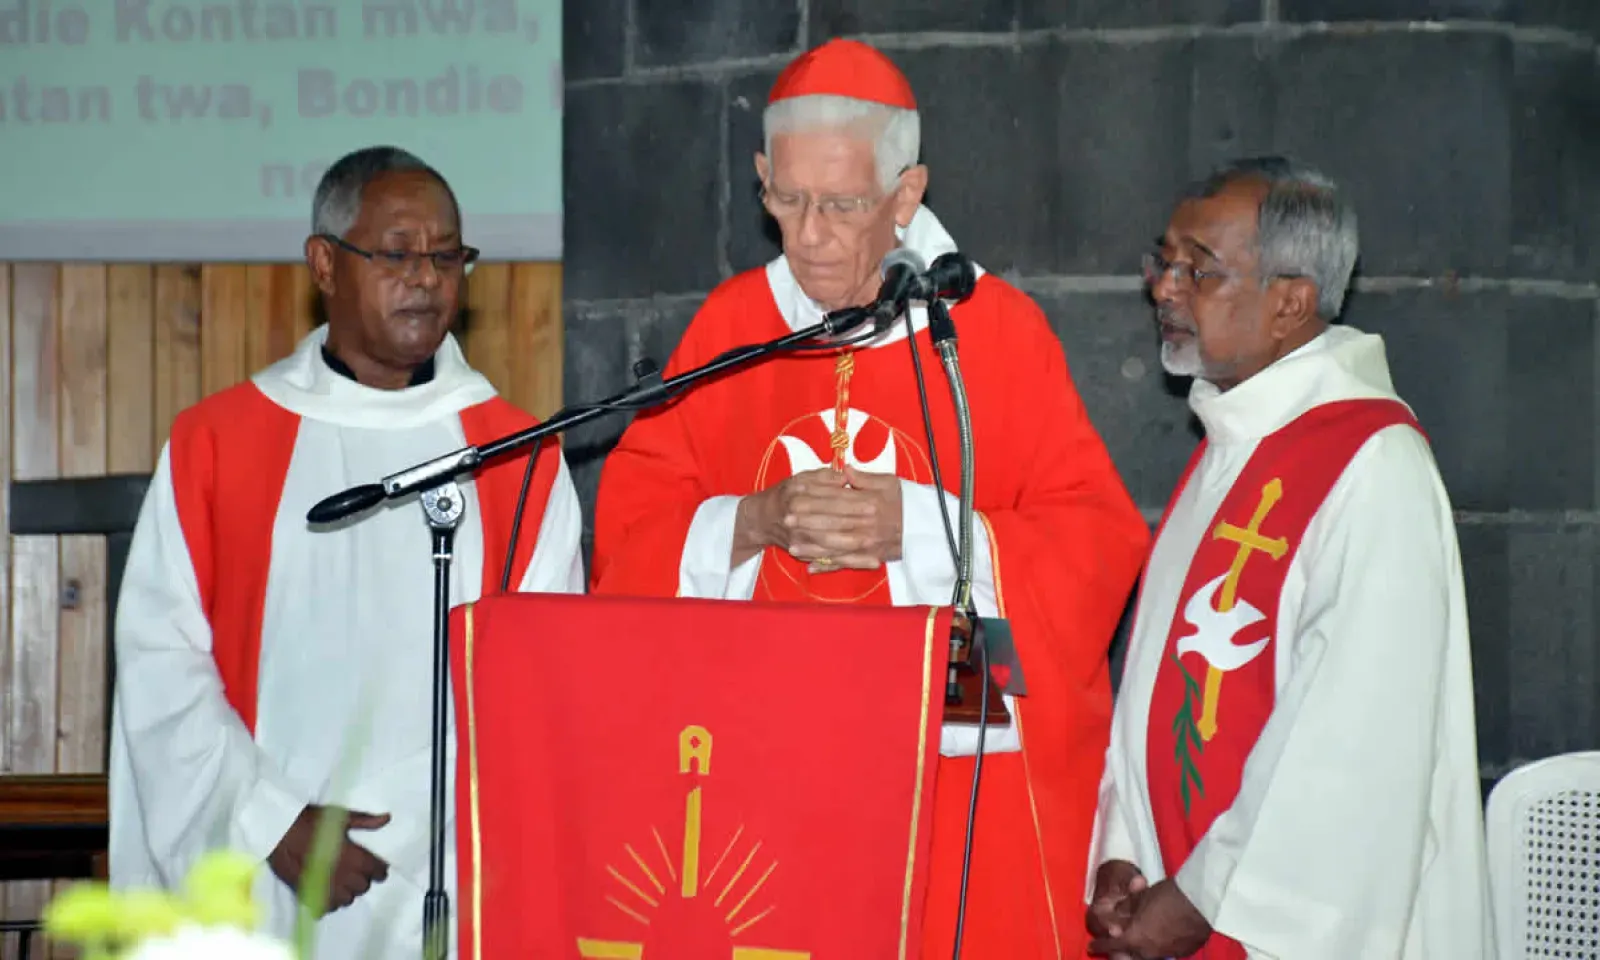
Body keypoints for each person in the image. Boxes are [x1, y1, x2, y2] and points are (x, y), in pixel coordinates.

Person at [590, 38, 1151, 958]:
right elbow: (630, 533)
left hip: (944, 749)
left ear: (907, 193)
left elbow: (1094, 539)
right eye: (787, 199)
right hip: (762, 750)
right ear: (763, 176)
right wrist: (754, 520)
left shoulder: (991, 333)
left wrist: (925, 528)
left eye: (842, 206)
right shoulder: (732, 327)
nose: (807, 235)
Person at [107, 145, 586, 958]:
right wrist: (271, 821)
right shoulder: (219, 444)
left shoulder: (517, 456)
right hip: (265, 866)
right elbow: (160, 659)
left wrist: (424, 835)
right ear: (325, 264)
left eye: (447, 256)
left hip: (453, 874)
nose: (427, 278)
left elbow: (548, 681)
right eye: (397, 253)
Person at [1084, 157, 1491, 959]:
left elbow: (1350, 748)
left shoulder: (1373, 466)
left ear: (1291, 303)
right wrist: (1123, 848)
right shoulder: (1233, 445)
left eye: (1197, 269)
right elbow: (1154, 681)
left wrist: (1202, 897)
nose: (1165, 288)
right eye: (1164, 262)